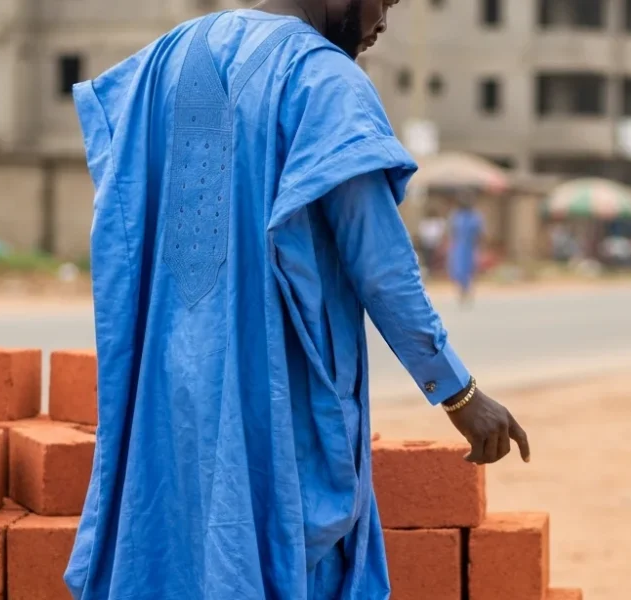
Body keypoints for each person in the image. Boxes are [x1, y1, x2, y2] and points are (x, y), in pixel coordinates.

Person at [66, 1, 529, 599]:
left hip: (166, 397)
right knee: (284, 559)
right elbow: (382, 266)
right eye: (384, 0)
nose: (382, 23)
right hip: (275, 402)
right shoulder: (325, 79)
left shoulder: (165, 60)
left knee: (172, 555)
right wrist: (459, 393)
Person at [447, 193, 484, 303]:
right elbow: (452, 231)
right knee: (459, 269)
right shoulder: (457, 216)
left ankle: (467, 290)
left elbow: (479, 233)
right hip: (459, 246)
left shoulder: (475, 216)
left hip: (470, 246)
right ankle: (461, 291)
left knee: (470, 269)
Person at [416, 208, 446, 273]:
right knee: (427, 258)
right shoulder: (425, 222)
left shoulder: (439, 222)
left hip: (437, 244)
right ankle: (429, 269)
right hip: (426, 244)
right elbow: (422, 233)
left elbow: (441, 233)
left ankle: (436, 269)